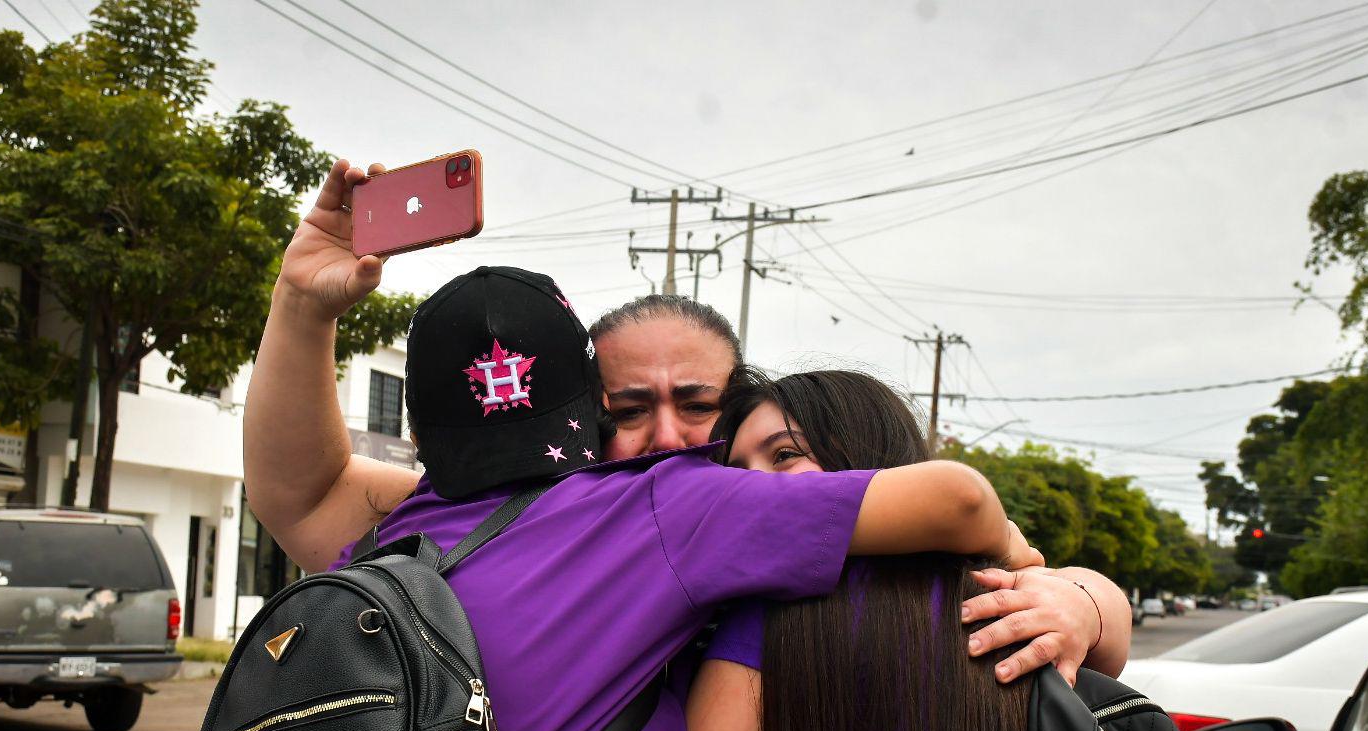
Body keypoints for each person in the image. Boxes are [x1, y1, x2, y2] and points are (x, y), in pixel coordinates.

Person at [248, 159, 1116, 688]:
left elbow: (1068, 614)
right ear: (585, 425)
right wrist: (299, 303)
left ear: (741, 404)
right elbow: (308, 493)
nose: (666, 437)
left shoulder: (805, 521)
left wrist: (1075, 600)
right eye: (629, 410)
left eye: (697, 404)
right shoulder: (579, 525)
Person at [687, 368, 1133, 731]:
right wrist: (1090, 601)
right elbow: (1109, 654)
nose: (753, 490)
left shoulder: (769, 624)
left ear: (865, 455)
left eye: (784, 456)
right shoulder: (1005, 606)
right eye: (738, 473)